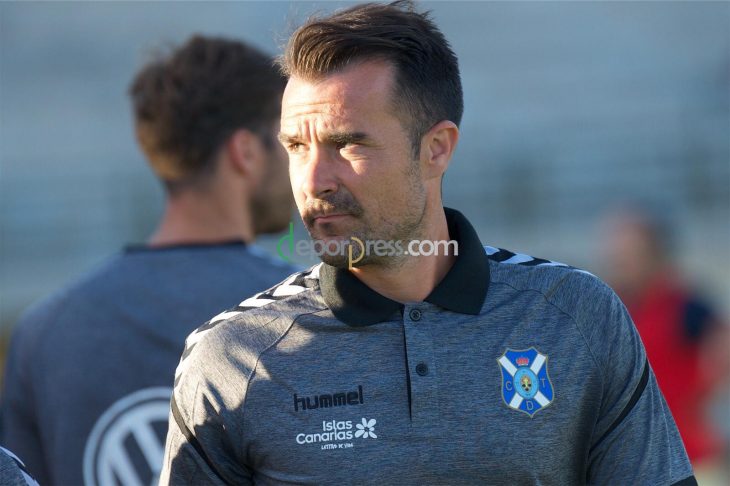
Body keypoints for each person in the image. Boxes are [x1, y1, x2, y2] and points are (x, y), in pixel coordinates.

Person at [161, 2, 696, 484]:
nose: (314, 180)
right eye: (297, 146)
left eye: (347, 144)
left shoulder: (576, 315)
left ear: (437, 148)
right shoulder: (232, 357)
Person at [0, 35, 296, 485]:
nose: (303, 163)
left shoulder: (45, 331)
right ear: (247, 152)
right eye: (290, 140)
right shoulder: (303, 316)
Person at [599, 206, 729, 479]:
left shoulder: (686, 307)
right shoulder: (607, 310)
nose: (620, 263)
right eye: (617, 256)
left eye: (630, 255)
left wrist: (698, 396)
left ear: (655, 255)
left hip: (691, 460)